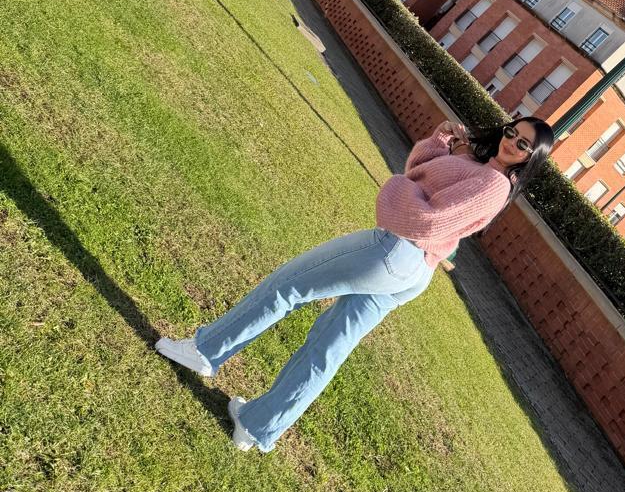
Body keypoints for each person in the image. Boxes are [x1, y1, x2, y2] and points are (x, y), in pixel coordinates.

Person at [155, 116, 555, 453]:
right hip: (412, 267)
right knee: (330, 343)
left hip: (396, 249)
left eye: (523, 145)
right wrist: (442, 142)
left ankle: (205, 350)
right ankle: (258, 425)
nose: (512, 143)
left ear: (530, 158)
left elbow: (426, 217)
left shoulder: (494, 185)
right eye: (512, 132)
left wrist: (398, 188)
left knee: (288, 287)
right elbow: (420, 169)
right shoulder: (479, 166)